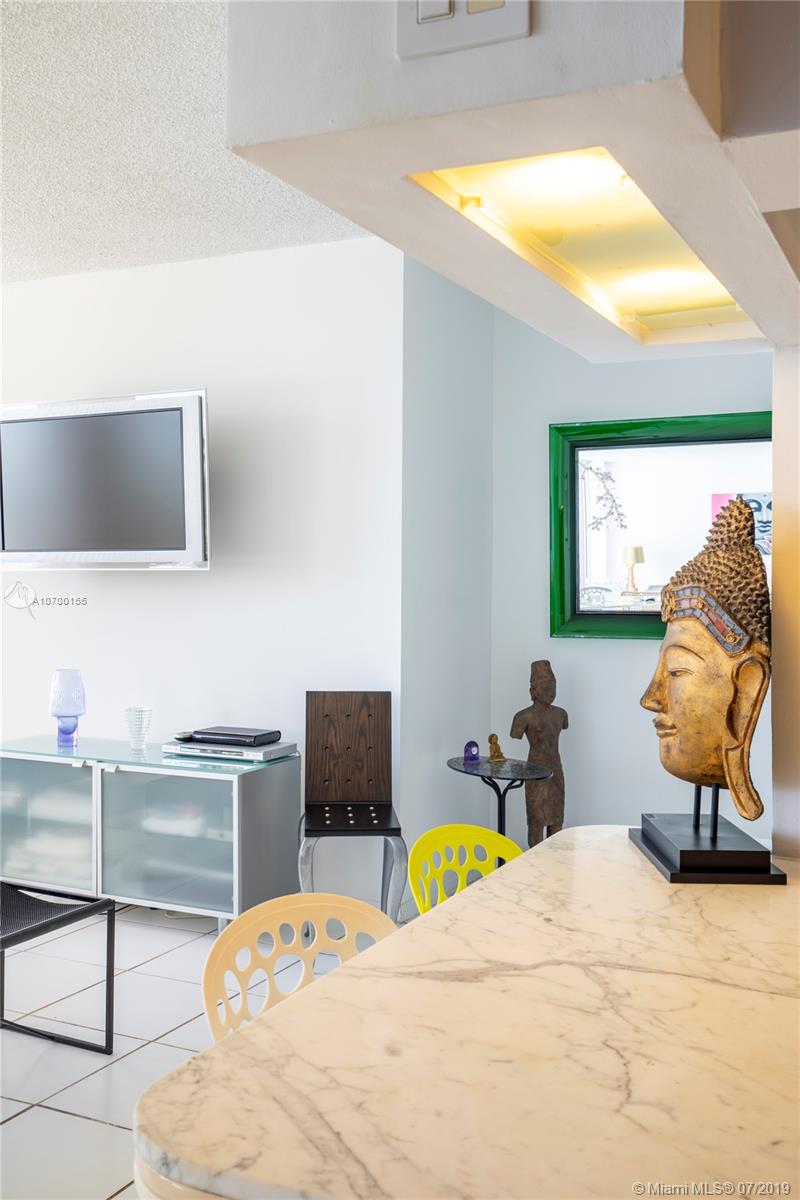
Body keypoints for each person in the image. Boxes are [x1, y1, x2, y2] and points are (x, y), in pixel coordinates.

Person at [510, 660, 568, 846]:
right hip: (535, 771)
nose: (551, 690)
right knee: (536, 821)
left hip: (556, 771)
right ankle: (534, 860)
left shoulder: (561, 714)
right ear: (533, 690)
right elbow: (515, 734)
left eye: (553, 685)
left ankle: (555, 860)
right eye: (545, 686)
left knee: (556, 820)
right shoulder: (523, 717)